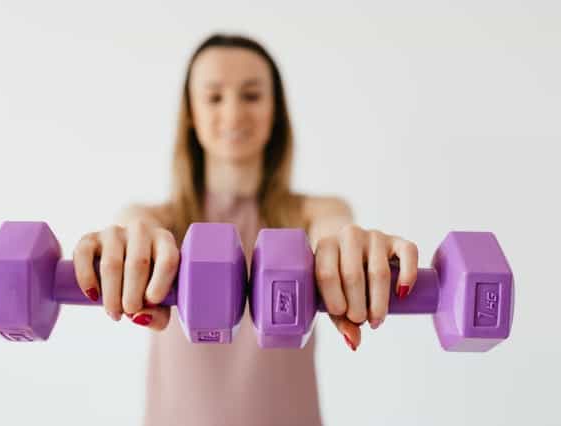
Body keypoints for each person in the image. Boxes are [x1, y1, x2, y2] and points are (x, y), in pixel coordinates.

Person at [72, 33, 419, 426]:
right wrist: (127, 241)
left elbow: (334, 232)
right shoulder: (157, 221)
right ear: (191, 114)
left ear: (275, 111)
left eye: (252, 96)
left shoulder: (317, 213)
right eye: (215, 97)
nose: (234, 113)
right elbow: (135, 226)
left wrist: (347, 250)